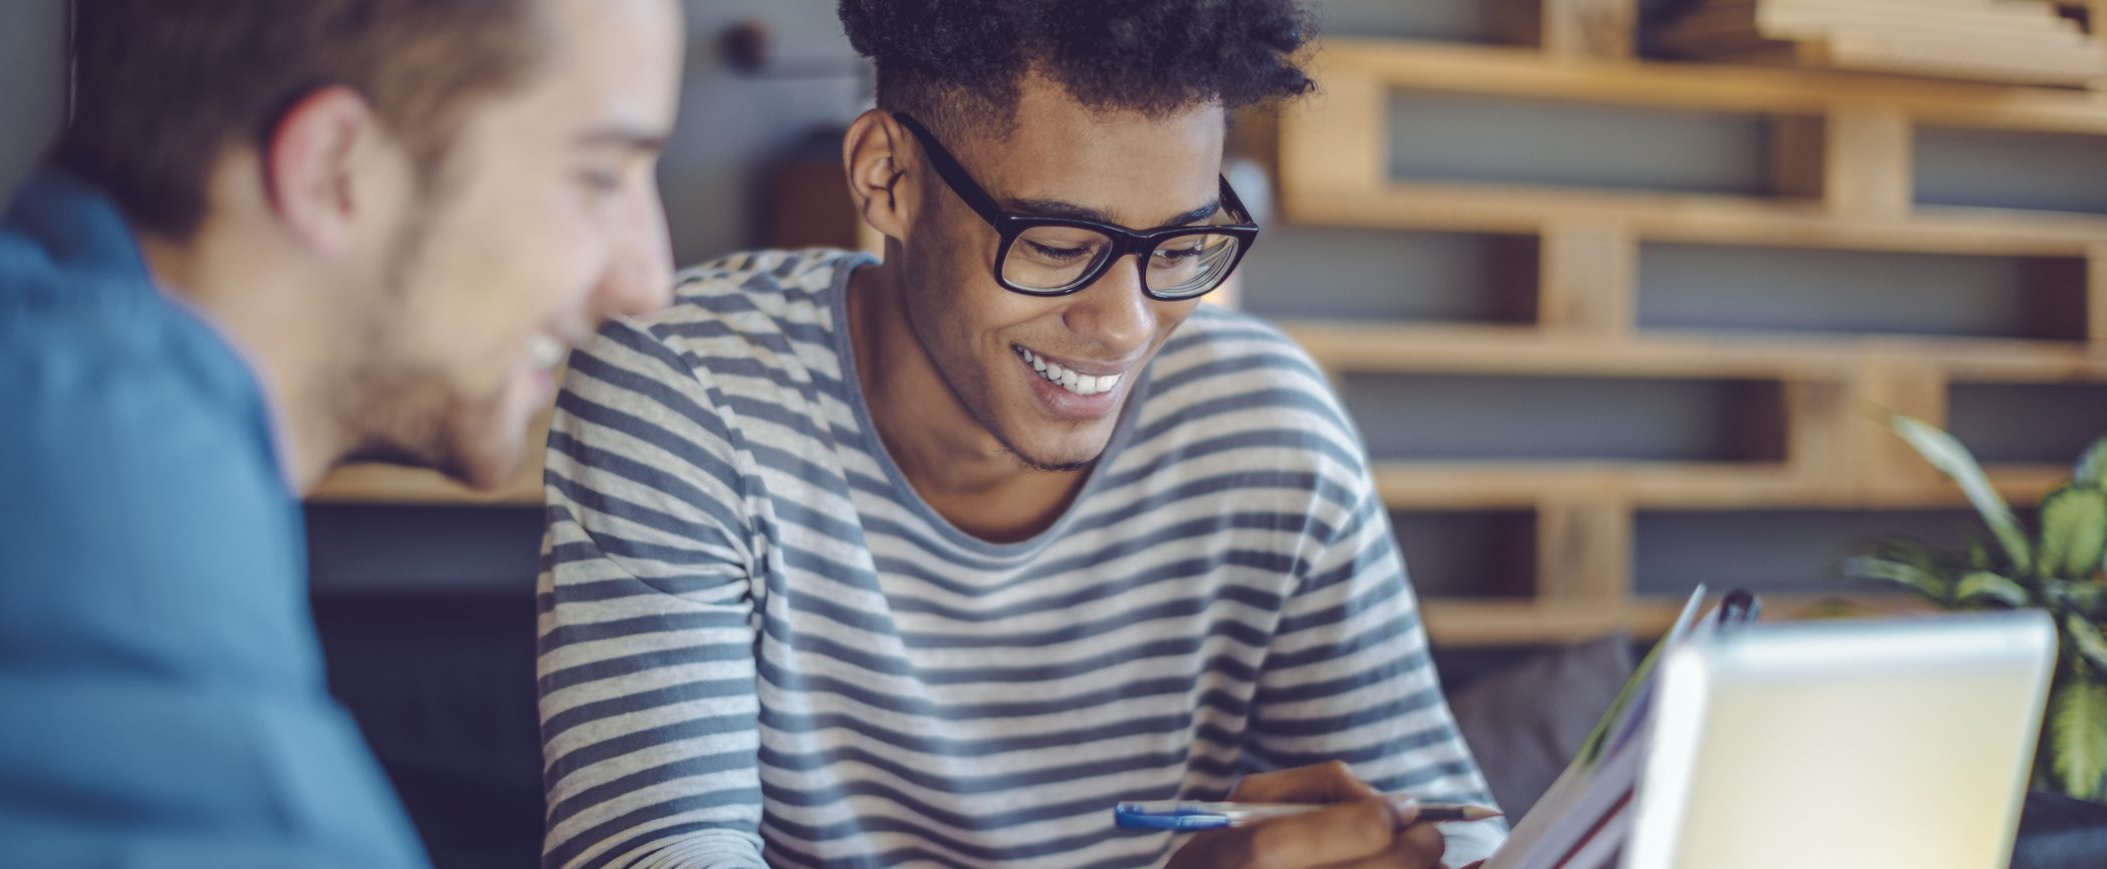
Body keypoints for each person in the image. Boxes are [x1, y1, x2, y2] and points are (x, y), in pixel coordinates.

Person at [535, 1, 1505, 867]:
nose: (1126, 323)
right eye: (1057, 244)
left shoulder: (1263, 430)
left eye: (1177, 246)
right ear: (887, 177)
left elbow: (1455, 835)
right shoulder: (687, 388)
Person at [0, 1, 682, 864]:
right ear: (332, 172)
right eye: (598, 176)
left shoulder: (46, 357)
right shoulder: (105, 499)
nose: (647, 280)